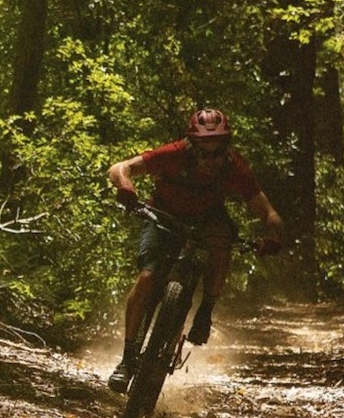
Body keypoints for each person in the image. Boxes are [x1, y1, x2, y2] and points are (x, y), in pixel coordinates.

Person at [106, 108, 284, 393]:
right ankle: (127, 360)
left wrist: (272, 235)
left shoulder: (234, 166)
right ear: (192, 146)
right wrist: (126, 187)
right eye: (205, 153)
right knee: (148, 277)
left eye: (218, 152)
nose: (212, 160)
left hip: (207, 219)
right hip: (163, 214)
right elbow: (120, 168)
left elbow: (268, 212)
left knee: (222, 243)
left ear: (226, 148)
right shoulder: (173, 154)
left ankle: (205, 310)